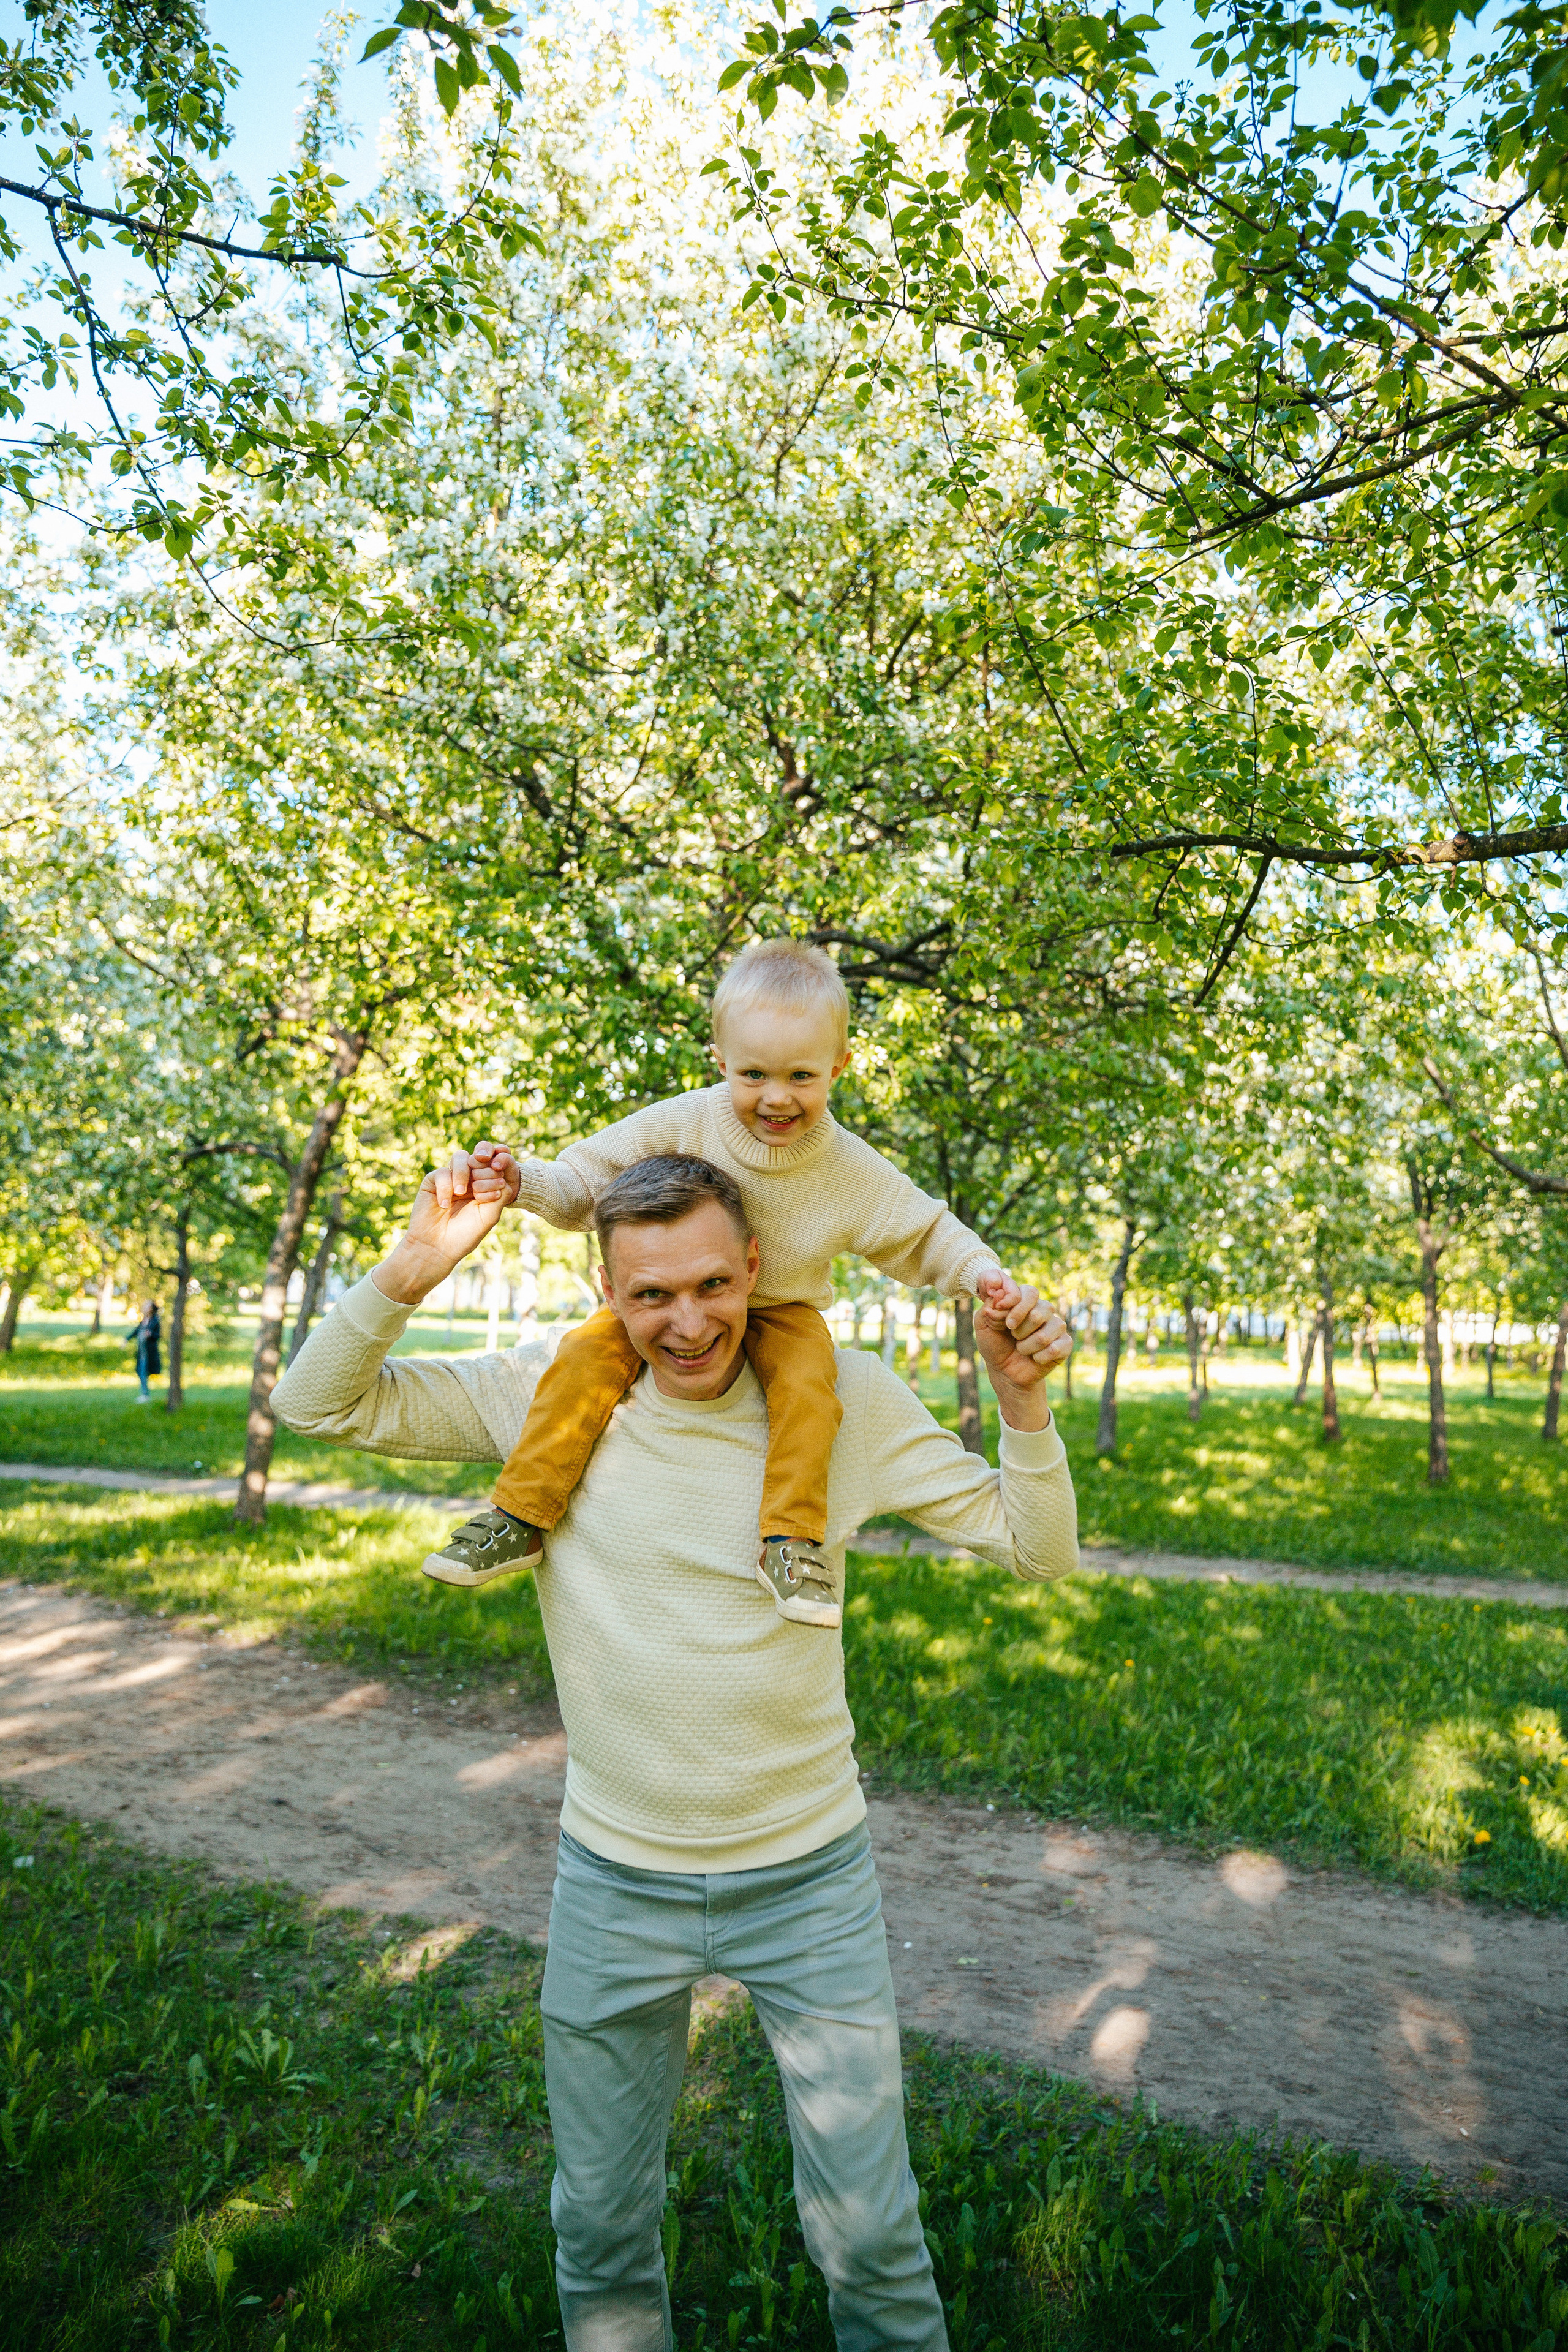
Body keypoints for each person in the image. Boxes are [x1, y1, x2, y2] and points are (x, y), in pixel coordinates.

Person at [272, 1148, 1076, 2352]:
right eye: (648, 1296)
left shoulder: (842, 1398)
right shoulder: (547, 1394)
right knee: (597, 2221)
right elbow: (316, 1404)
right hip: (613, 1885)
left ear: (754, 1264)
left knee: (871, 2232)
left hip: (810, 1883)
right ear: (608, 1289)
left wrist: (1022, 1404)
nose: (687, 1323)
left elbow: (1038, 1547)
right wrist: (417, 1262)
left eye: (711, 1284)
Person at [419, 937, 1028, 1629]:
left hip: (783, 1308)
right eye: (753, 1075)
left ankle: (791, 1543)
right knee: (583, 1358)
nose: (776, 1098)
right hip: (679, 1296)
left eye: (802, 1077)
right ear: (722, 1064)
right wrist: (523, 1180)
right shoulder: (684, 1120)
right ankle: (520, 1517)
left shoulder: (848, 1167)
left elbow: (924, 1232)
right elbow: (587, 1182)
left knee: (808, 1391)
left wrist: (986, 1278)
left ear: (838, 1066)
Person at [129, 1300, 161, 1402]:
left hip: (149, 1352)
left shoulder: (155, 1320)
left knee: (143, 1372)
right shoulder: (144, 1320)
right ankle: (144, 1393)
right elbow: (136, 1331)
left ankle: (145, 1395)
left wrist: (150, 1334)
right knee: (140, 1372)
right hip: (142, 1351)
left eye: (147, 1306)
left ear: (151, 1308)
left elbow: (158, 1335)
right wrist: (126, 1339)